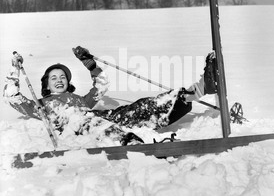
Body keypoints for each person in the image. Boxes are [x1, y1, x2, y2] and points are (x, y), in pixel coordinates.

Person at [3, 47, 217, 145]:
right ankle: (129, 142)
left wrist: (91, 66)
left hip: (97, 118)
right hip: (77, 127)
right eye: (53, 77)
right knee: (88, 120)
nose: (59, 80)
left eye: (63, 77)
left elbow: (102, 86)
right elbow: (12, 97)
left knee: (141, 107)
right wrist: (15, 70)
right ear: (46, 84)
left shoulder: (79, 100)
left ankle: (200, 89)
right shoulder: (42, 105)